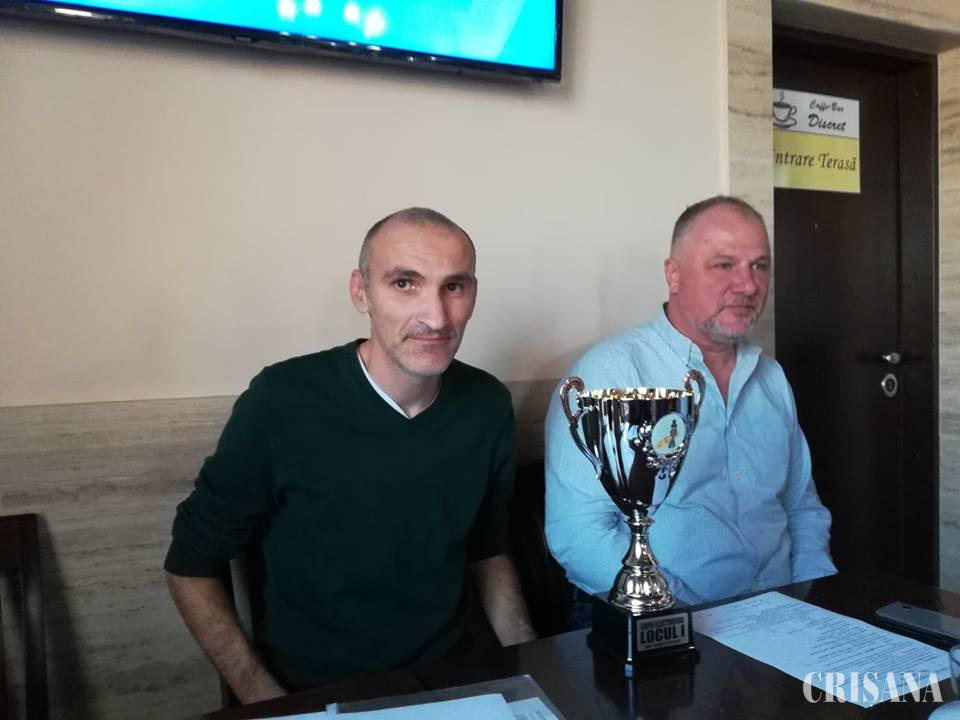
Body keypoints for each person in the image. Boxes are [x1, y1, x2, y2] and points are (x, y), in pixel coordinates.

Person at [165, 207, 536, 703]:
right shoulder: (282, 400)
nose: (435, 317)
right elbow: (189, 565)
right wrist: (267, 701)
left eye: (453, 286)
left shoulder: (486, 405)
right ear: (361, 292)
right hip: (319, 692)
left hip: (456, 680)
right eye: (404, 283)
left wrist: (531, 674)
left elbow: (489, 552)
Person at [544, 195, 836, 619]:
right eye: (724, 265)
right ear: (674, 275)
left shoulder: (770, 377)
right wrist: (681, 618)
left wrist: (818, 599)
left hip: (785, 614)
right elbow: (578, 534)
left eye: (760, 265)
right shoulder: (610, 375)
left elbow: (802, 507)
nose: (748, 285)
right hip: (665, 622)